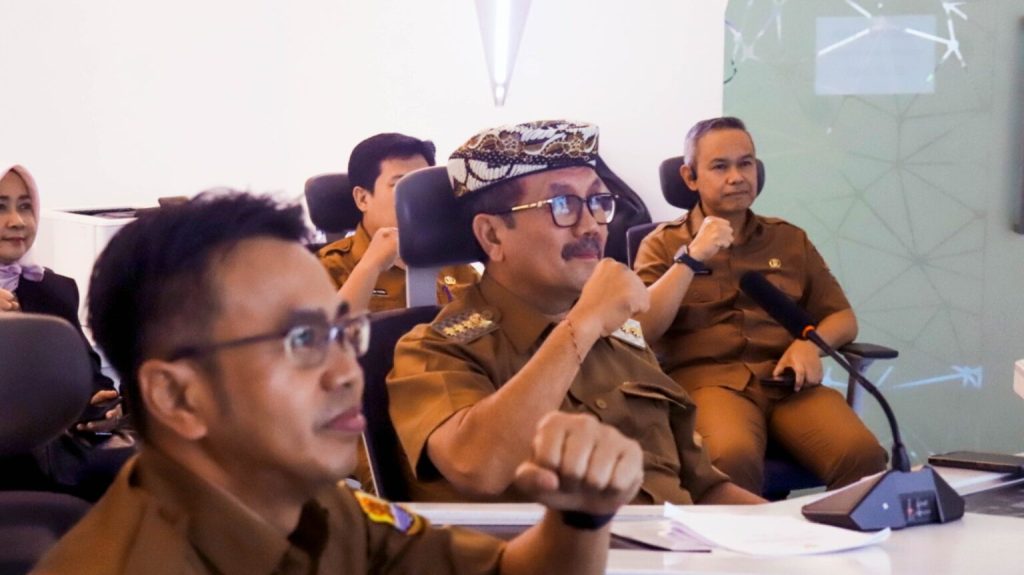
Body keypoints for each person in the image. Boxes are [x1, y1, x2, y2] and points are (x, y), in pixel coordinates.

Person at [33, 192, 645, 574]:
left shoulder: (319, 508)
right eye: (302, 341)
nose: (347, 371)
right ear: (177, 396)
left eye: (343, 333)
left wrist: (580, 517)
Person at [387, 120, 764, 505]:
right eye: (562, 205)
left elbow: (704, 487)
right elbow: (478, 466)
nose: (591, 227)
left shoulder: (621, 338)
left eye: (598, 202)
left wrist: (788, 531)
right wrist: (582, 325)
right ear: (492, 235)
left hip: (681, 541)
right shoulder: (435, 350)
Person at [632, 117, 887, 494]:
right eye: (720, 166)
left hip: (786, 383)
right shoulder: (662, 244)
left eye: (746, 163)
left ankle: (837, 535)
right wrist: (691, 258)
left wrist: (809, 345)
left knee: (863, 456)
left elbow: (842, 317)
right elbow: (639, 330)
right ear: (690, 177)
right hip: (709, 385)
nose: (736, 177)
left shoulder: (789, 240)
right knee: (729, 458)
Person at [0, 163, 130, 500]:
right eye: (0, 207)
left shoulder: (53, 289)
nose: (17, 221)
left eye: (25, 206)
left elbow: (87, 376)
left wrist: (99, 407)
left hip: (50, 460)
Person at [318, 133, 478, 313]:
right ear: (362, 199)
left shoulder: (453, 262)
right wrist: (370, 266)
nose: (418, 196)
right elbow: (326, 329)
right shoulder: (328, 268)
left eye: (422, 185)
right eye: (401, 185)